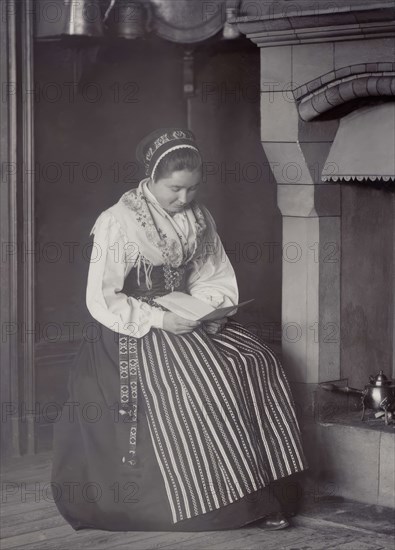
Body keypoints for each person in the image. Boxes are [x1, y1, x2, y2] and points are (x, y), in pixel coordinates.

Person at [51, 128, 307, 532]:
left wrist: (211, 308)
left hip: (186, 312)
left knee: (258, 359)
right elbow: (102, 298)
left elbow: (211, 272)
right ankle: (225, 502)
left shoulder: (198, 218)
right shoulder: (117, 222)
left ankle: (267, 486)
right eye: (175, 189)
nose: (184, 198)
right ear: (151, 178)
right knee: (204, 378)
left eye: (192, 188)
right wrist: (160, 319)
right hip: (133, 326)